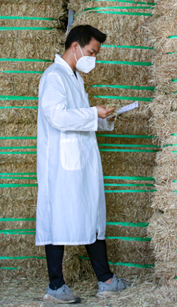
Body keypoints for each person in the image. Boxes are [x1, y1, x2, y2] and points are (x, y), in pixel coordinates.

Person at [36, 25, 129, 304]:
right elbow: (58, 117)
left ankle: (106, 280)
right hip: (62, 167)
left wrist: (104, 118)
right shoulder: (54, 77)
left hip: (80, 162)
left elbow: (79, 118)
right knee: (58, 219)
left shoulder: (74, 77)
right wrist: (92, 113)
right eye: (91, 52)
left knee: (90, 215)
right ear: (75, 46)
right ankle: (55, 287)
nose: (93, 58)